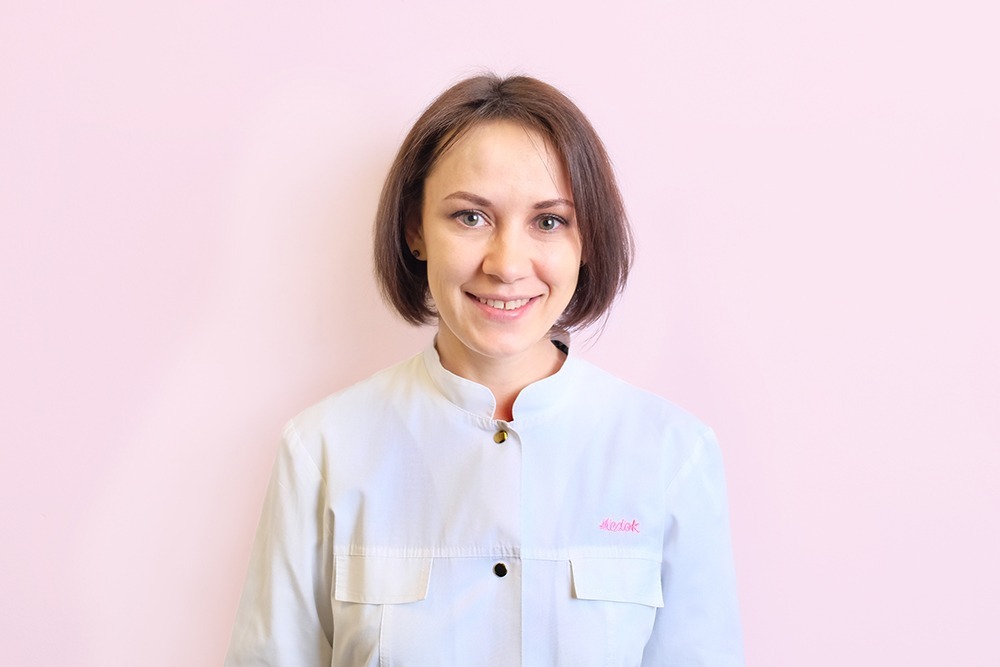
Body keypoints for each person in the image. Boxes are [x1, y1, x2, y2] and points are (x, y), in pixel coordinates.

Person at [225, 73, 743, 666]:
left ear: (587, 239)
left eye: (549, 221)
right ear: (416, 230)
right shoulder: (322, 450)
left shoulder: (673, 456)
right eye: (471, 217)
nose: (507, 265)